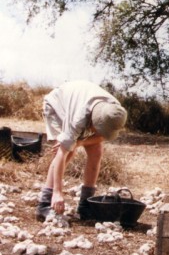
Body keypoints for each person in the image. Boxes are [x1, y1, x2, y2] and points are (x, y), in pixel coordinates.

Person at [36, 80, 128, 221]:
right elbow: (61, 153)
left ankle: (86, 205)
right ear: (94, 121)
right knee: (68, 152)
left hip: (80, 100)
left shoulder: (115, 112)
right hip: (57, 104)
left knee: (96, 151)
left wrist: (80, 142)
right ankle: (45, 203)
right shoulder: (77, 119)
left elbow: (101, 137)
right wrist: (58, 192)